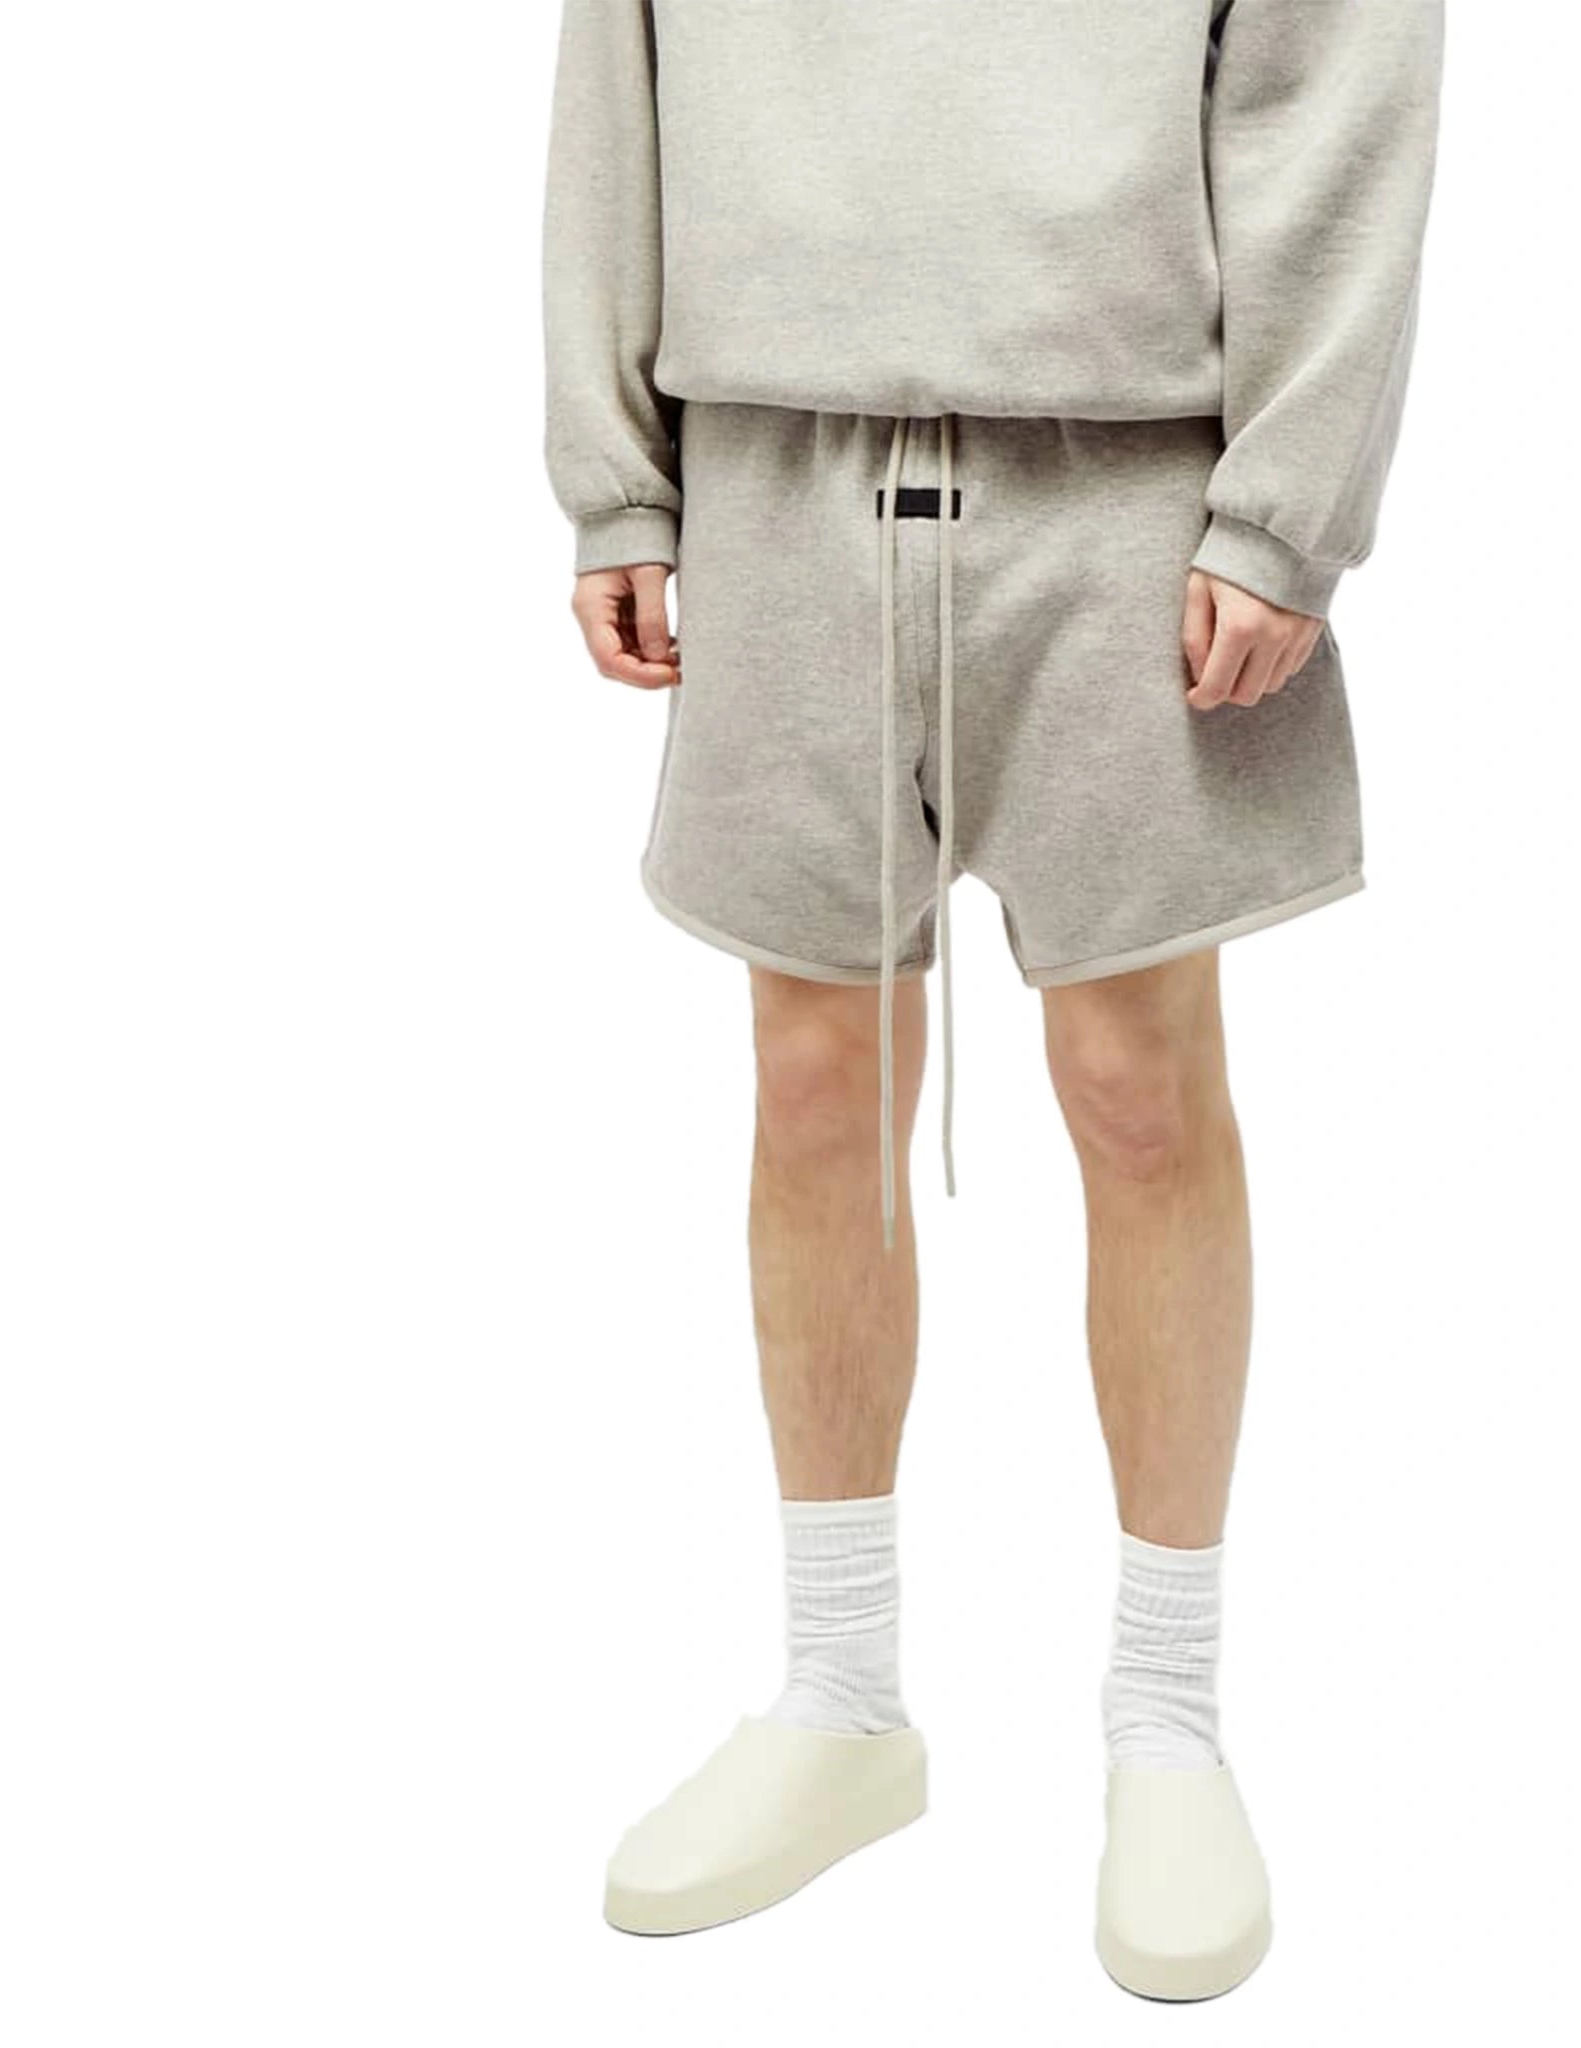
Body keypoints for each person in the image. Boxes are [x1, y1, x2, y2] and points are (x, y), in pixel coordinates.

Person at [543, 0, 1442, 2001]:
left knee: (1137, 1078)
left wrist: (1285, 502)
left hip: (1126, 474)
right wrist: (616, 477)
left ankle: (1167, 1717)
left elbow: (1335, 70)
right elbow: (620, 63)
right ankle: (840, 1694)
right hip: (773, 453)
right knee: (812, 1076)